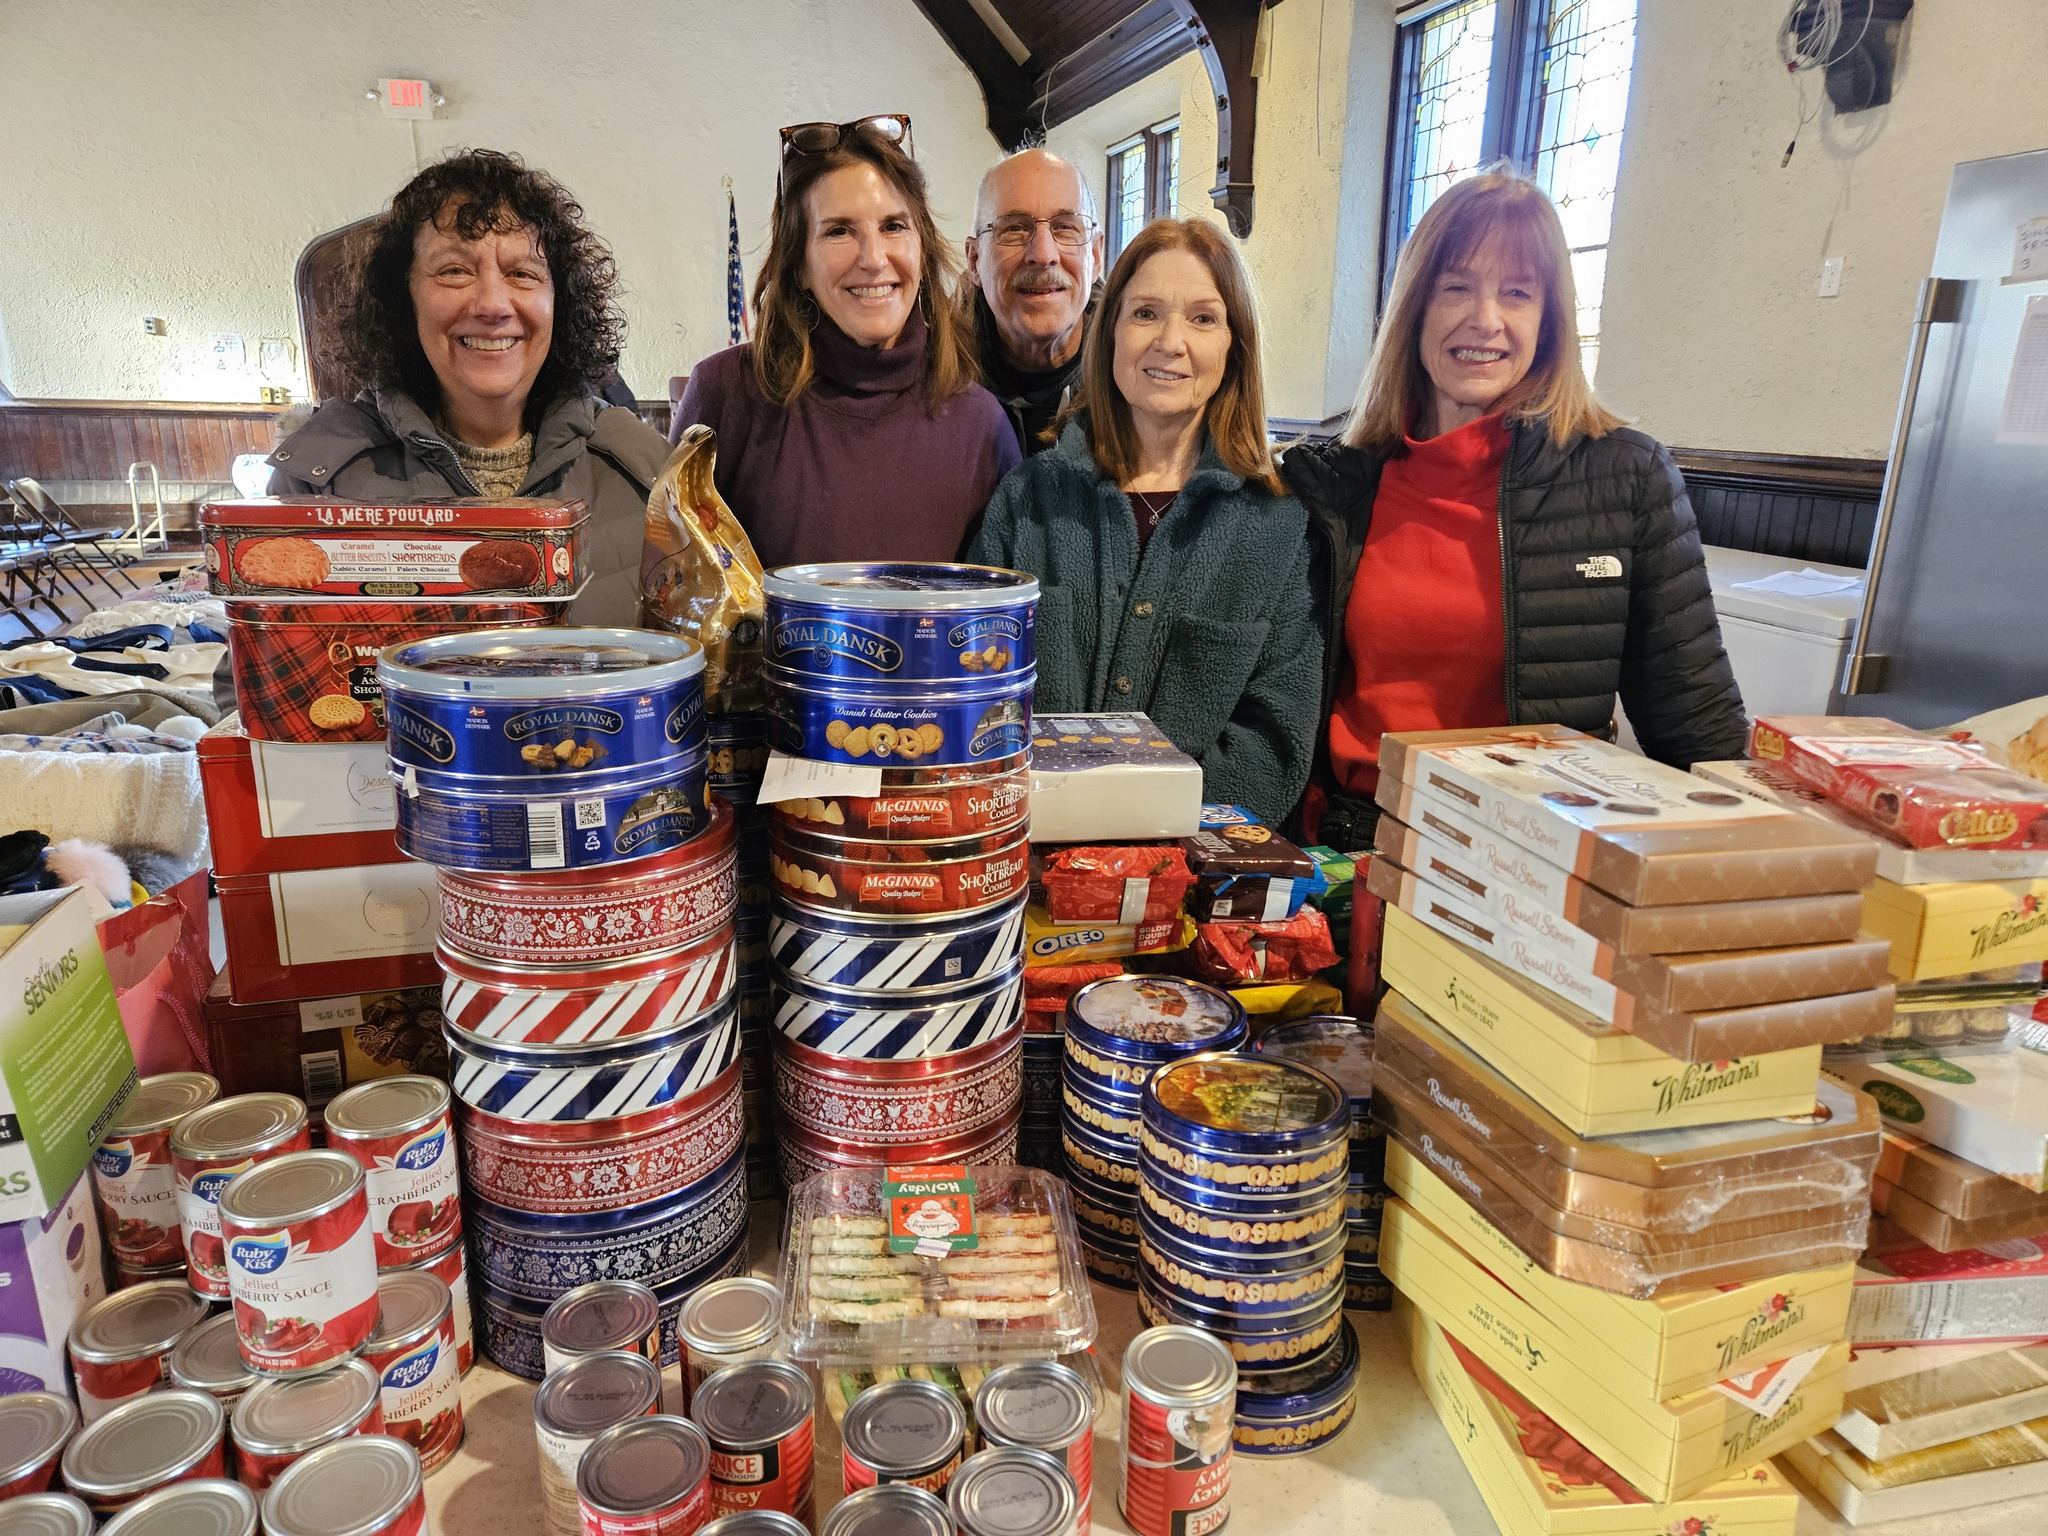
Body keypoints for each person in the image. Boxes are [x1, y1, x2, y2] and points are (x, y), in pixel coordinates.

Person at [1282, 168, 1747, 848]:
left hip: (1532, 848)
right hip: (1356, 841)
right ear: (1415, 309)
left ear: (1549, 320)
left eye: (1518, 293)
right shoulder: (1336, 483)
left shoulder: (1626, 475)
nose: (1486, 319)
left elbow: (1697, 725)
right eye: (1457, 287)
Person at [969, 218, 1320, 825]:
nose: (1171, 342)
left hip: (1194, 866)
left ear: (1234, 345)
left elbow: (1273, 748)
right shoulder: (1029, 500)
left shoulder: (1277, 524)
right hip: (1032, 849)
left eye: (1203, 319)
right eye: (1146, 313)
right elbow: (974, 691)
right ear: (1110, 332)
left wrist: (1138, 830)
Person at [269, 149, 671, 625]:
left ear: (559, 300)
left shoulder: (647, 471)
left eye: (522, 274)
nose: (493, 304)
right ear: (403, 296)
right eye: (454, 271)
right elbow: (265, 664)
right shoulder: (314, 483)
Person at [670, 115, 1018, 569]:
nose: (873, 259)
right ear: (798, 263)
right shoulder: (725, 396)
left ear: (923, 248)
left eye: (893, 226)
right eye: (839, 230)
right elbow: (671, 587)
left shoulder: (982, 426)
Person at [963, 148, 1103, 454]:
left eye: (1065, 227)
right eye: (1014, 228)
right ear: (974, 260)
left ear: (1095, 255)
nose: (1043, 255)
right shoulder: (930, 381)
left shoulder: (1136, 380)